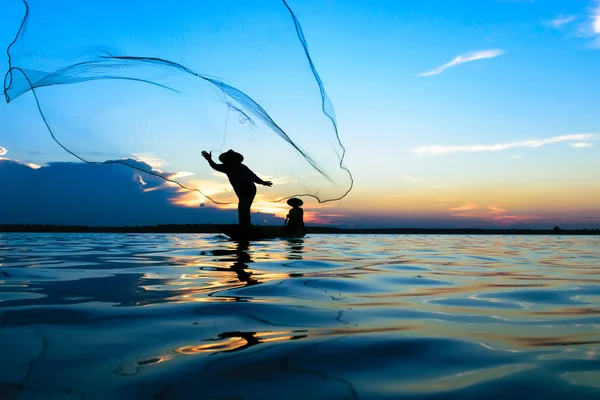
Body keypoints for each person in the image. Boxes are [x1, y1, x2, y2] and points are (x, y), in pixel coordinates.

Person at [201, 149, 272, 227]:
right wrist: (209, 160)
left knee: (243, 208)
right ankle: (244, 226)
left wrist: (262, 182)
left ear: (236, 159)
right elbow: (215, 166)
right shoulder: (226, 167)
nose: (230, 159)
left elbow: (253, 176)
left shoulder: (242, 167)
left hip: (249, 189)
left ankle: (246, 227)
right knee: (242, 208)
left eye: (232, 158)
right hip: (241, 192)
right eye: (229, 158)